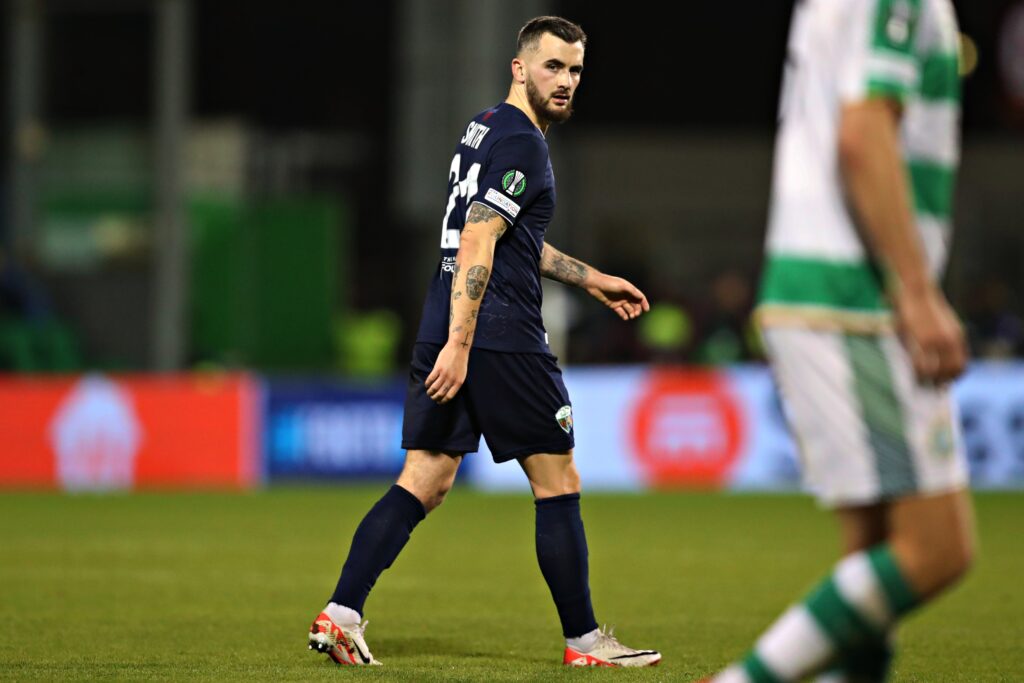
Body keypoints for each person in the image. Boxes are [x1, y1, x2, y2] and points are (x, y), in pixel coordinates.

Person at [308, 16, 660, 669]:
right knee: (557, 478)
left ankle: (341, 614)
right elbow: (479, 240)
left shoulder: (483, 129)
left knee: (428, 476)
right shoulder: (524, 143)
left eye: (576, 69)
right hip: (498, 332)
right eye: (553, 66)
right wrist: (463, 346)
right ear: (519, 67)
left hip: (448, 316)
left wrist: (590, 278)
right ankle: (585, 641)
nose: (566, 80)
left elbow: (509, 234)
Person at [711, 1, 974, 681]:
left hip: (816, 287)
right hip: (855, 296)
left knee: (873, 559)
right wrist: (916, 290)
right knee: (938, 549)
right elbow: (862, 136)